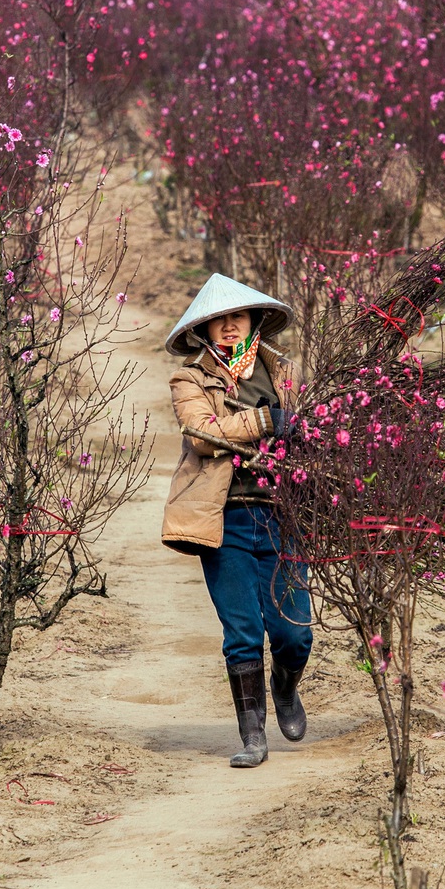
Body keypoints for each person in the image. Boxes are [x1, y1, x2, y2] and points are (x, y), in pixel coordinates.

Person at [162, 273, 312, 768]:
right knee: (243, 631)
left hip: (283, 515)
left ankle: (285, 689)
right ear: (203, 330)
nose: (229, 326)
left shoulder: (285, 372)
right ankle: (253, 737)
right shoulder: (190, 377)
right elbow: (201, 434)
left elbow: (312, 431)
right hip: (224, 521)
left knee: (294, 633)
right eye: (219, 320)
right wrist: (266, 423)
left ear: (254, 321)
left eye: (237, 317)